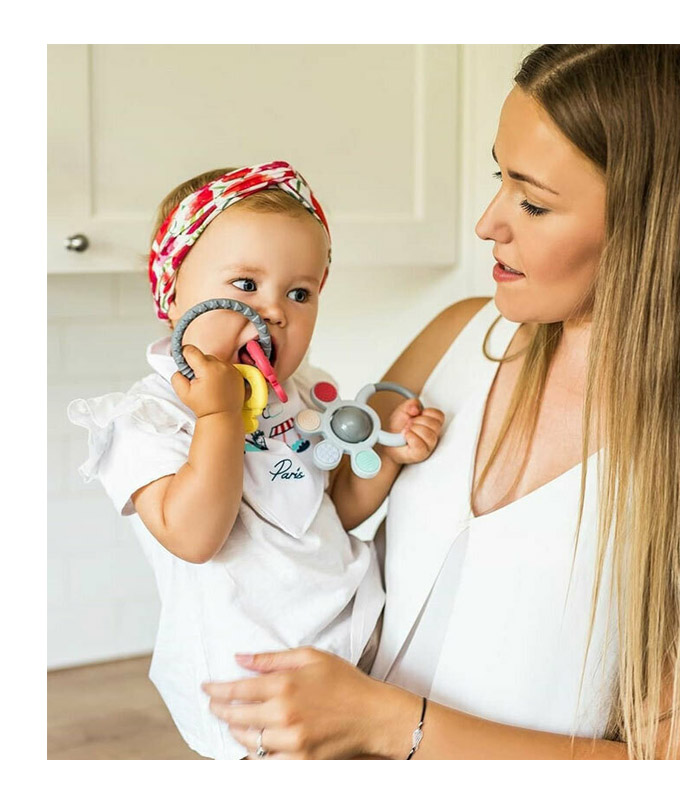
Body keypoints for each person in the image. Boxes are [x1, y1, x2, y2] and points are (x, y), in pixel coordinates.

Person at [201, 45, 680, 760]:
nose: (489, 223)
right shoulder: (454, 338)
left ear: (656, 219)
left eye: (533, 202)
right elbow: (307, 518)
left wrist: (387, 724)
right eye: (500, 178)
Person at [67, 161, 445, 759]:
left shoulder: (301, 393)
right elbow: (195, 537)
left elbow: (333, 511)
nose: (273, 312)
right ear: (172, 295)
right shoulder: (147, 419)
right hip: (254, 685)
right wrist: (219, 415)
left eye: (299, 293)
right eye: (245, 285)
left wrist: (391, 454)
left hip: (358, 642)